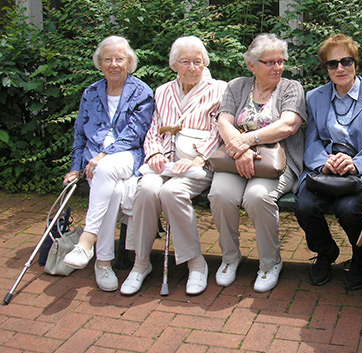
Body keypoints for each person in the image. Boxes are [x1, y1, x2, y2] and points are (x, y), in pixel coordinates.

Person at [119, 36, 227, 296]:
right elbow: (154, 127)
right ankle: (141, 263)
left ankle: (196, 264)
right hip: (164, 164)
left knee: (172, 192)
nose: (192, 67)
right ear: (174, 65)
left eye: (198, 62)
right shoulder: (163, 90)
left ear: (205, 63)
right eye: (186, 62)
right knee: (145, 190)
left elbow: (219, 130)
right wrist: (154, 153)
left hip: (198, 165)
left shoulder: (220, 89)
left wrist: (197, 158)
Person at [208, 33, 307, 292]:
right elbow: (223, 121)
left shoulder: (291, 88)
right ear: (252, 65)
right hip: (236, 159)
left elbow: (288, 125)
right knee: (219, 194)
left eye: (281, 61)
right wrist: (240, 151)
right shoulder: (236, 86)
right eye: (270, 62)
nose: (278, 67)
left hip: (278, 160)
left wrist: (247, 141)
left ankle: (270, 262)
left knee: (257, 197)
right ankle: (230, 258)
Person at [295, 34, 362, 289]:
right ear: (326, 68)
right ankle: (326, 252)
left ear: (356, 64)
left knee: (349, 209)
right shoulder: (315, 97)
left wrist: (356, 163)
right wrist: (323, 162)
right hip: (325, 168)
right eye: (332, 63)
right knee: (304, 205)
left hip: (361, 170)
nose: (340, 68)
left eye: (346, 61)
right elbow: (312, 138)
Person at [62, 36, 155, 291]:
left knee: (104, 168)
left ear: (129, 62)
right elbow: (79, 134)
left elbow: (135, 134)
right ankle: (102, 262)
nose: (114, 64)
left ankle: (86, 242)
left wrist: (104, 154)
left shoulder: (142, 92)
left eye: (119, 59)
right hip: (94, 160)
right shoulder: (91, 93)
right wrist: (74, 167)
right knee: (112, 191)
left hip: (127, 155)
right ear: (100, 63)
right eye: (108, 59)